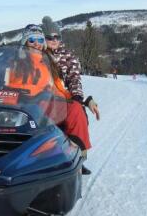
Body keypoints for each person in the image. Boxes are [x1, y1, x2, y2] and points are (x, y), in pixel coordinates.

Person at [21, 24, 96, 175]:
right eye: (49, 37)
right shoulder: (20, 59)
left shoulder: (52, 59)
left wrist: (79, 99)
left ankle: (76, 156)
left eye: (57, 37)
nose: (36, 43)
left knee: (76, 111)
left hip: (51, 101)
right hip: (26, 103)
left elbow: (69, 82)